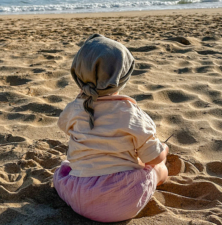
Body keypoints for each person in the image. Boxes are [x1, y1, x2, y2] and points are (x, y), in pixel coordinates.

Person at [53, 34, 170, 223]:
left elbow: (64, 126)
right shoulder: (131, 113)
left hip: (79, 196)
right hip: (124, 202)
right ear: (122, 78)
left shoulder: (74, 108)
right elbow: (153, 157)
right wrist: (163, 151)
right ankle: (160, 175)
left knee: (63, 170)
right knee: (156, 168)